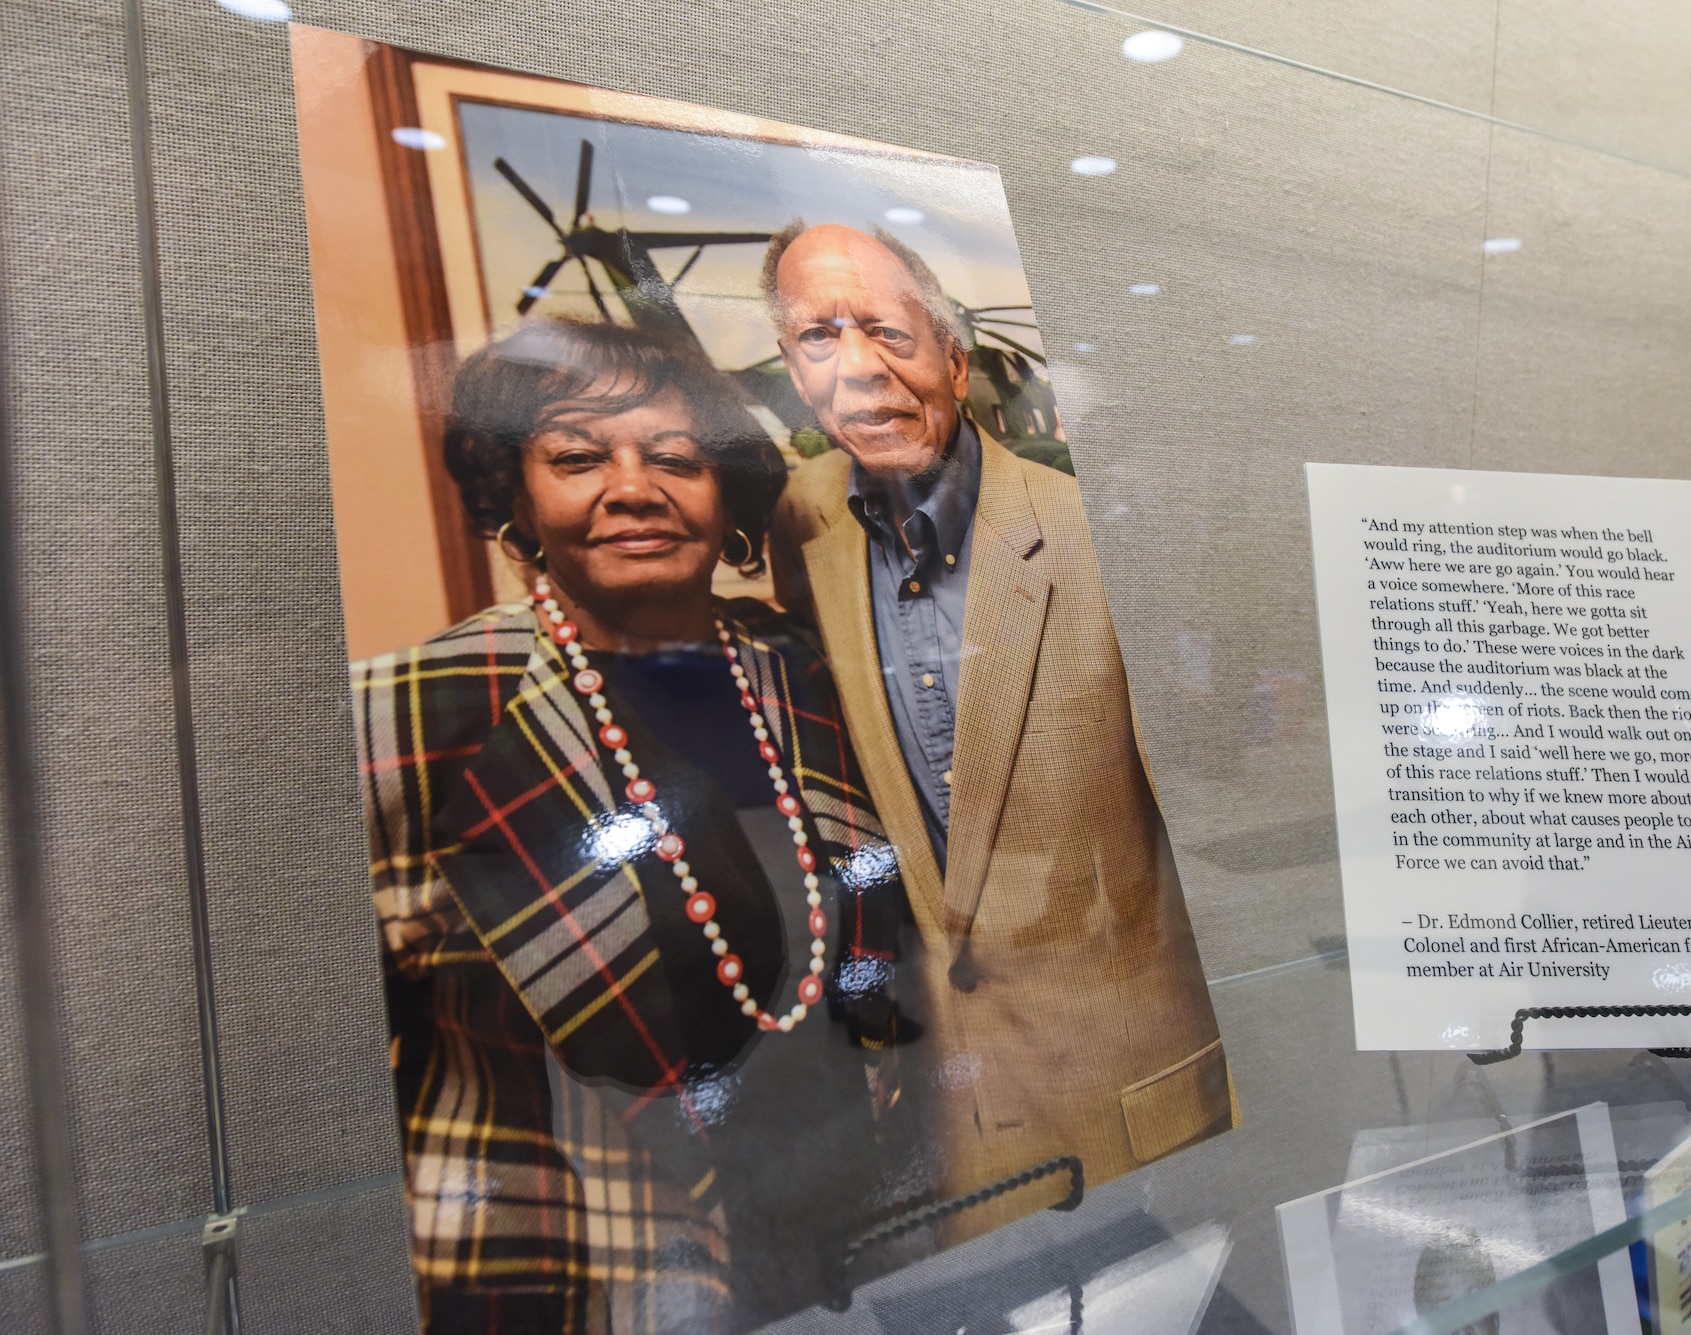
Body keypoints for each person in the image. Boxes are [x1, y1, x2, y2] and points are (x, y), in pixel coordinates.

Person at [353, 319, 915, 1334]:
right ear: (514, 493)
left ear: (722, 490)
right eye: (575, 457)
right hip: (584, 1274)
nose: (631, 487)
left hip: (847, 1233)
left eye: (674, 458)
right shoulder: (410, 709)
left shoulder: (797, 666)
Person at [762, 223, 1232, 1234]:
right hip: (949, 1134)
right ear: (795, 380)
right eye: (816, 339)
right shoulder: (802, 524)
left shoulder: (1093, 535)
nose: (856, 371)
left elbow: (1214, 862)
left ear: (955, 359)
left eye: (887, 333)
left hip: (1139, 1114)